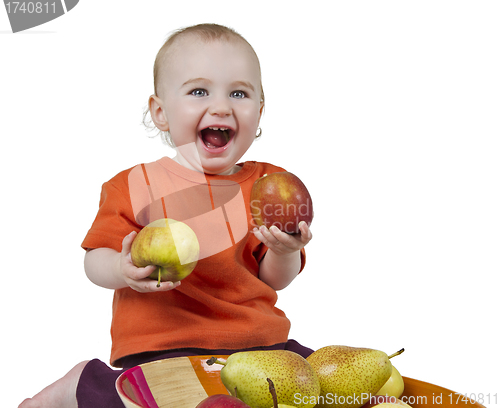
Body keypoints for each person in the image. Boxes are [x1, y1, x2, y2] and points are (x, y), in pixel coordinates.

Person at [19, 23, 313, 408]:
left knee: (315, 384)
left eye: (239, 93)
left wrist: (285, 250)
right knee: (150, 400)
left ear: (260, 110)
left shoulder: (267, 184)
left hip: (259, 344)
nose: (222, 106)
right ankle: (81, 384)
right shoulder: (136, 185)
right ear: (160, 112)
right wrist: (122, 268)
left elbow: (273, 279)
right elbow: (94, 260)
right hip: (165, 348)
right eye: (198, 91)